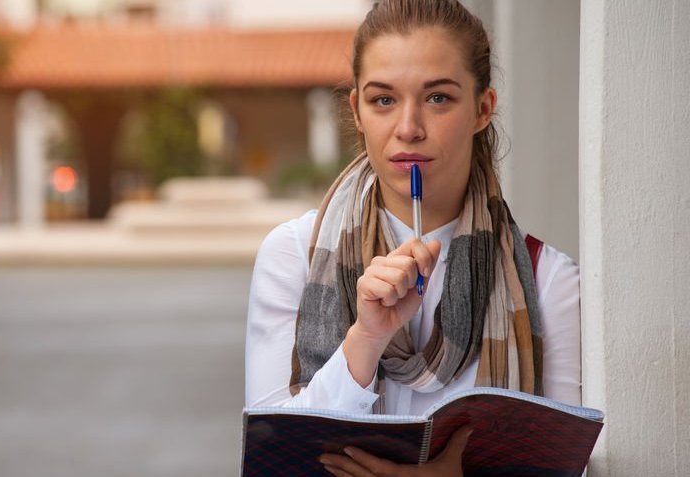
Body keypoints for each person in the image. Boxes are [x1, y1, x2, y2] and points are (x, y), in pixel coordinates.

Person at [245, 0, 581, 475]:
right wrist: (365, 339)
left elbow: (565, 467)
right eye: (383, 99)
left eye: (438, 98)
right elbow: (274, 457)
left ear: (483, 108)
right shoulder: (292, 255)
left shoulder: (549, 281)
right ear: (357, 111)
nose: (408, 128)